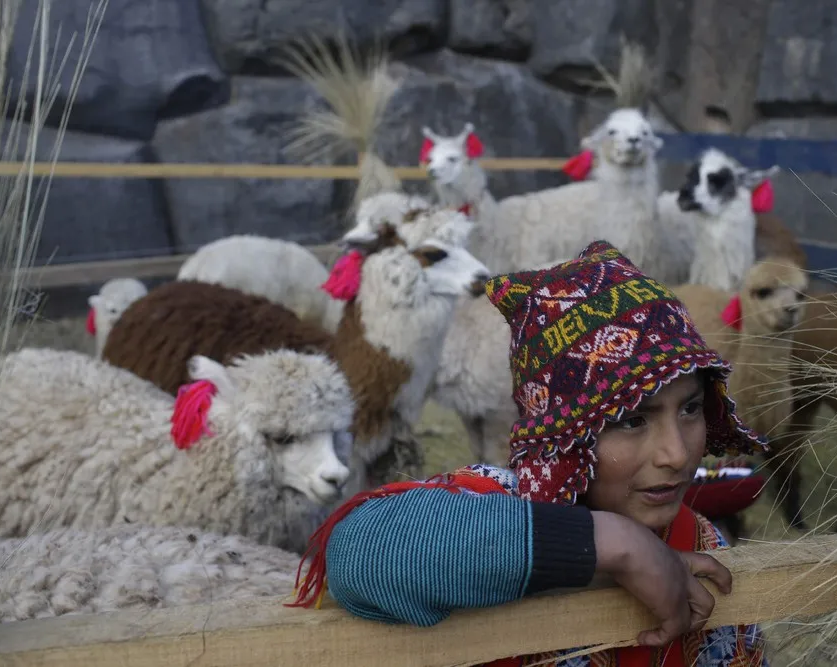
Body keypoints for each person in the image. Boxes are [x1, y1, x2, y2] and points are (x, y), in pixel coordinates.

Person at [288, 240, 769, 666]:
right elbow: (356, 552)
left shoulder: (700, 544)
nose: (677, 453)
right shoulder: (490, 505)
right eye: (632, 419)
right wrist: (612, 544)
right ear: (563, 436)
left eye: (690, 410)